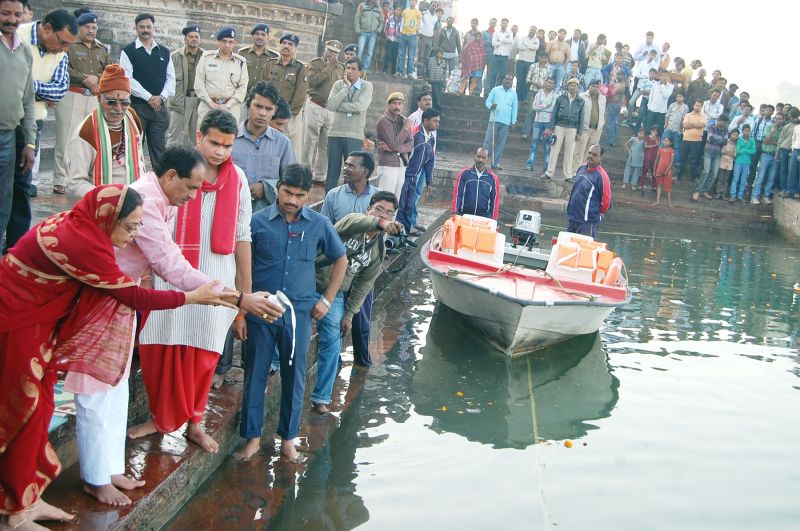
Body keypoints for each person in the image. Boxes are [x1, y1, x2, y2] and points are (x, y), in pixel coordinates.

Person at [0, 184, 231, 527]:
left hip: (36, 320)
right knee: (25, 412)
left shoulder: (84, 226)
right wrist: (192, 297)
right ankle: (14, 515)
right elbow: (135, 298)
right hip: (17, 322)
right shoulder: (85, 244)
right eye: (130, 227)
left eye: (140, 225)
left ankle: (27, 499)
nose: (136, 234)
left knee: (42, 409)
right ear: (108, 220)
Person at [129, 110, 274, 452]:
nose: (220, 152)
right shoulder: (177, 173)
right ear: (198, 137)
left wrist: (244, 294)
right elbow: (152, 229)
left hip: (216, 276)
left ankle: (195, 422)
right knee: (158, 349)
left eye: (227, 145)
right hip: (170, 273)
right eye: (213, 143)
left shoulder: (237, 179)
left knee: (204, 354)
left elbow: (243, 236)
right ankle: (158, 419)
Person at [236, 164, 347, 463]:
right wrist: (241, 313)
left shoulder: (319, 224)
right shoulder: (257, 222)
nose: (292, 200)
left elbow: (341, 259)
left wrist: (327, 299)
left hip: (298, 314)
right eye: (287, 192)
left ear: (308, 194)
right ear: (278, 187)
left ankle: (288, 439)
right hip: (261, 310)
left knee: (294, 377)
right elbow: (242, 267)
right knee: (255, 374)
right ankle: (253, 439)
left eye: (299, 195)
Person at [311, 191, 402, 414]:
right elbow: (354, 222)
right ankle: (273, 364)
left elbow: (364, 285)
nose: (384, 215)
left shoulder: (378, 251)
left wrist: (350, 314)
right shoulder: (352, 222)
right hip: (308, 283)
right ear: (368, 209)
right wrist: (379, 222)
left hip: (334, 297)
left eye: (389, 213)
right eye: (379, 209)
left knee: (333, 341)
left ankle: (321, 397)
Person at [5, 9, 76, 252]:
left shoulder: (60, 54)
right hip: (7, 121)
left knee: (21, 188)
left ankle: (14, 249)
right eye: (62, 42)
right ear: (46, 29)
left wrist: (24, 83)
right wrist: (28, 86)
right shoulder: (19, 38)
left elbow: (59, 90)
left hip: (32, 124)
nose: (64, 49)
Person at [65, 64, 144, 202]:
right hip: (101, 205)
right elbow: (76, 183)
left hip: (134, 203)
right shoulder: (86, 131)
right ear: (99, 99)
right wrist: (106, 196)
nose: (119, 109)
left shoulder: (132, 118)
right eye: (112, 102)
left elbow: (140, 160)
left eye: (125, 102)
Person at [53, 12, 108, 195]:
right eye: (87, 27)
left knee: (89, 139)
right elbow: (63, 66)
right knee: (66, 138)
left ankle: (85, 177)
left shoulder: (101, 49)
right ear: (79, 28)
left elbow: (109, 70)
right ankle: (61, 179)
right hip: (72, 95)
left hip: (93, 97)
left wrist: (97, 78)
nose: (91, 31)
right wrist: (85, 78)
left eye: (93, 27)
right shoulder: (70, 45)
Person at [0, 0, 36, 253]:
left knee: (3, 201)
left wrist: (31, 142)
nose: (12, 20)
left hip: (8, 137)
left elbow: (28, 99)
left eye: (17, 14)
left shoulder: (24, 51)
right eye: (5, 14)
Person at [120, 13, 174, 166]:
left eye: (148, 27)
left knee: (159, 151)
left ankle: (161, 184)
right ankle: (134, 182)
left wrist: (160, 97)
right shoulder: (128, 51)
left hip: (159, 109)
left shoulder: (164, 52)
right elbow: (127, 79)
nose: (145, 30)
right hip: (137, 108)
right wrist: (150, 98)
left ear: (153, 28)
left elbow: (171, 79)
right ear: (136, 29)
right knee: (134, 148)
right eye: (141, 27)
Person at [233, 81, 295, 212]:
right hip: (232, 212)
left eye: (268, 109)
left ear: (275, 110)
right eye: (258, 106)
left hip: (268, 217)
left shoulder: (283, 143)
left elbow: (292, 183)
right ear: (248, 105)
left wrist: (267, 187)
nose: (262, 113)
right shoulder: (230, 139)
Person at [324, 58, 373, 192]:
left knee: (351, 172)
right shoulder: (338, 85)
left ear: (360, 72)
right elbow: (331, 105)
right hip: (335, 132)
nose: (349, 71)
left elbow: (360, 106)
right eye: (347, 68)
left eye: (353, 69)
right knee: (332, 171)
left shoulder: (367, 86)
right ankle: (328, 200)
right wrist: (346, 89)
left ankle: (347, 200)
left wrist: (340, 107)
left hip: (354, 134)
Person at [303, 40, 343, 181]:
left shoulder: (341, 68)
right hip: (315, 105)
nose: (333, 54)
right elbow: (312, 81)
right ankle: (304, 173)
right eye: (330, 51)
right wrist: (328, 68)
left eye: (336, 53)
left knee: (325, 144)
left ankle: (319, 176)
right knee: (309, 142)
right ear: (325, 50)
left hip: (331, 109)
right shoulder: (316, 63)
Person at [194, 27, 248, 130]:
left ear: (234, 43)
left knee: (229, 138)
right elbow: (199, 84)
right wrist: (210, 103)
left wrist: (227, 105)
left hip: (231, 108)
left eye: (230, 42)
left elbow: (242, 87)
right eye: (224, 41)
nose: (227, 45)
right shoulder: (206, 58)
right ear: (218, 42)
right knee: (203, 136)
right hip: (208, 106)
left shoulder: (240, 62)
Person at [264, 34, 308, 158]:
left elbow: (300, 95)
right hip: (270, 114)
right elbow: (263, 88)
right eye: (284, 43)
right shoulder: (270, 64)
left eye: (290, 44)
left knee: (291, 149)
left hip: (290, 116)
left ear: (295, 49)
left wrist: (287, 114)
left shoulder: (300, 68)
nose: (286, 46)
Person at [397, 108, 439, 234]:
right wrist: (403, 169)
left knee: (410, 203)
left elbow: (430, 160)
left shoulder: (431, 138)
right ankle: (397, 231)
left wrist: (429, 181)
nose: (437, 124)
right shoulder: (414, 134)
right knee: (401, 203)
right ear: (425, 120)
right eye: (435, 121)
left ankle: (407, 228)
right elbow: (401, 151)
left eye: (438, 121)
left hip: (415, 175)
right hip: (405, 174)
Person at [166, 24, 205, 148]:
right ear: (185, 39)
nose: (194, 39)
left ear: (200, 39)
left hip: (199, 101)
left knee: (197, 135)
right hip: (180, 100)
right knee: (175, 136)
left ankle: (194, 164)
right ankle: (170, 164)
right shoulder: (175, 56)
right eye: (191, 36)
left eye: (196, 37)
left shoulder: (206, 56)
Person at [565, 144, 611, 237]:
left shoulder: (602, 176)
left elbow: (607, 203)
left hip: (587, 223)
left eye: (594, 154)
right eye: (589, 153)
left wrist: (595, 213)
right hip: (573, 219)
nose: (590, 156)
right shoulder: (581, 169)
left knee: (585, 250)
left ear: (600, 157)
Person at [543, 77, 584, 180]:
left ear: (578, 87)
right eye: (571, 85)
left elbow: (581, 118)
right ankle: (549, 173)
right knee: (554, 150)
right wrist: (550, 128)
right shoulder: (560, 98)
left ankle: (568, 175)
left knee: (570, 153)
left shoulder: (580, 101)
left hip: (573, 127)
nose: (572, 87)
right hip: (559, 126)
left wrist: (579, 132)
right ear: (567, 86)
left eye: (574, 86)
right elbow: (554, 114)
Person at [376, 91, 414, 199]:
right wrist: (406, 128)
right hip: (388, 165)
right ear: (389, 104)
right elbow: (393, 144)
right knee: (384, 199)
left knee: (395, 200)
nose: (397, 106)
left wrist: (397, 149)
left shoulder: (403, 120)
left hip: (401, 164)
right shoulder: (383, 121)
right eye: (394, 103)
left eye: (399, 103)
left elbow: (411, 143)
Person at [452, 147, 500, 219]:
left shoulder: (493, 178)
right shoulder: (464, 173)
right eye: (478, 156)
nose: (480, 160)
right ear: (474, 156)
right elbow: (458, 194)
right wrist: (454, 212)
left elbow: (495, 199)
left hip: (484, 217)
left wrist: (494, 219)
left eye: (483, 157)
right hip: (464, 215)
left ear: (487, 159)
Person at [482, 73, 517, 170]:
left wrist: (513, 121)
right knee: (488, 141)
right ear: (503, 80)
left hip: (505, 122)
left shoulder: (513, 93)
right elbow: (487, 102)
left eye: (510, 80)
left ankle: (495, 163)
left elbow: (514, 108)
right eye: (506, 79)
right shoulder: (495, 90)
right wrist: (490, 106)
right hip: (494, 119)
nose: (508, 81)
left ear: (512, 82)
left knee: (501, 143)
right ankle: (482, 160)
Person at [693, 114, 729, 200]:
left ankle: (704, 190)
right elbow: (711, 139)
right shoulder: (711, 127)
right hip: (708, 152)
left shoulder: (726, 130)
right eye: (724, 122)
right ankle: (697, 191)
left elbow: (725, 142)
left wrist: (717, 141)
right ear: (720, 120)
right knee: (706, 171)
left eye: (725, 123)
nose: (724, 124)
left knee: (714, 174)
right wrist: (719, 141)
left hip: (717, 154)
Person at [525, 77, 557, 172]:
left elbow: (553, 109)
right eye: (548, 82)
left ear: (554, 85)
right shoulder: (539, 94)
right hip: (537, 122)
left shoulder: (555, 96)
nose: (549, 84)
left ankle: (546, 168)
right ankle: (530, 164)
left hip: (548, 123)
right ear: (545, 83)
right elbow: (534, 108)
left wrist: (541, 107)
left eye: (551, 83)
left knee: (547, 146)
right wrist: (546, 106)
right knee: (534, 145)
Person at [574, 79, 606, 170]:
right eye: (594, 86)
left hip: (597, 130)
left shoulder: (603, 98)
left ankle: (585, 171)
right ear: (589, 86)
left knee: (591, 152)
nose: (595, 89)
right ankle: (575, 171)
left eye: (597, 87)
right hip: (584, 128)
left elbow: (603, 113)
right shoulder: (582, 96)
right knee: (579, 151)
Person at [751, 113, 782, 204]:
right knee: (760, 177)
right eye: (777, 118)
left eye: (780, 119)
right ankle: (754, 197)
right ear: (774, 119)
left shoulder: (783, 130)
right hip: (766, 154)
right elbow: (766, 141)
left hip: (776, 155)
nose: (778, 120)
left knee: (771, 178)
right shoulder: (769, 127)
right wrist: (773, 131)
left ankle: (766, 196)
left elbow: (780, 142)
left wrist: (774, 142)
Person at [239, 23, 278, 94]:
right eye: (257, 34)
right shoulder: (242, 53)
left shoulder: (274, 57)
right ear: (252, 36)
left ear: (268, 38)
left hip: (262, 98)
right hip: (243, 96)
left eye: (263, 34)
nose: (260, 37)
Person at [677, 100, 708, 181]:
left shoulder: (704, 116)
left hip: (697, 141)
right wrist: (695, 125)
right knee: (682, 158)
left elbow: (701, 125)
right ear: (694, 105)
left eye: (699, 106)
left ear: (701, 107)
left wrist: (691, 125)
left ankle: (693, 177)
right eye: (696, 105)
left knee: (694, 160)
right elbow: (685, 125)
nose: (697, 107)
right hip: (686, 139)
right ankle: (679, 175)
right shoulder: (688, 115)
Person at [354, 0, 382, 73]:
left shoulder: (379, 9)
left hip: (373, 33)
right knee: (360, 50)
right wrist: (357, 29)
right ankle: (357, 68)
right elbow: (357, 18)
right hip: (363, 32)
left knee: (370, 52)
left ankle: (366, 69)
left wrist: (379, 30)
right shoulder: (362, 6)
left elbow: (382, 21)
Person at [459, 18, 484, 96]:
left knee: (474, 77)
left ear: (477, 24)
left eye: (474, 23)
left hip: (476, 61)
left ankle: (471, 92)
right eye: (472, 23)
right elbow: (464, 45)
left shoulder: (479, 34)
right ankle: (461, 91)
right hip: (466, 58)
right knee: (465, 75)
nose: (473, 24)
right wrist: (461, 55)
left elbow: (482, 49)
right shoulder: (467, 33)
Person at [730, 124, 755, 202]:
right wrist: (747, 150)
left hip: (747, 162)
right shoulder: (739, 139)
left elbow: (753, 151)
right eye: (745, 131)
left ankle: (740, 196)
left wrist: (745, 150)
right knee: (736, 178)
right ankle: (733, 195)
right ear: (742, 131)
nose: (747, 132)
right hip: (738, 161)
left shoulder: (752, 140)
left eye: (748, 131)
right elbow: (738, 151)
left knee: (743, 180)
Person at [662, 92, 688, 166]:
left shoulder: (685, 107)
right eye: (678, 96)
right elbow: (667, 115)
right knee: (663, 143)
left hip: (677, 130)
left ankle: (677, 162)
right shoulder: (672, 105)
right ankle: (661, 156)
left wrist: (680, 130)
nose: (679, 98)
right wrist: (665, 125)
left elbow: (683, 119)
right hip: (669, 127)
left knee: (677, 146)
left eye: (680, 96)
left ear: (684, 98)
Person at [514, 26, 539, 104]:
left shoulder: (536, 40)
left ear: (535, 32)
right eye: (531, 30)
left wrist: (526, 45)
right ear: (529, 30)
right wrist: (530, 47)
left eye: (534, 30)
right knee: (519, 80)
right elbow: (519, 46)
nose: (532, 31)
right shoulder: (523, 38)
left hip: (530, 63)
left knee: (527, 81)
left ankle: (525, 98)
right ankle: (517, 98)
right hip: (521, 61)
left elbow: (536, 47)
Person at [652, 136, 675, 207]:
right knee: (659, 185)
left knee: (668, 187)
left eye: (667, 141)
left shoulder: (672, 151)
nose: (665, 142)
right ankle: (657, 201)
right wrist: (654, 170)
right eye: (664, 141)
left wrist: (667, 170)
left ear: (670, 143)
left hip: (667, 172)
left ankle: (669, 203)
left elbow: (672, 161)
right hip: (659, 170)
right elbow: (656, 160)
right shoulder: (660, 149)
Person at [715, 129, 738, 199]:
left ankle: (723, 194)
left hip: (729, 164)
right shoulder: (725, 141)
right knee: (720, 178)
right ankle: (718, 193)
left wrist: (727, 152)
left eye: (736, 135)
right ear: (730, 134)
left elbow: (734, 154)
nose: (735, 136)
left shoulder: (735, 144)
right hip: (723, 162)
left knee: (726, 179)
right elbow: (722, 151)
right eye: (734, 134)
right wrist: (729, 153)